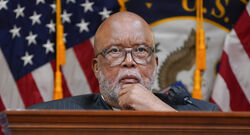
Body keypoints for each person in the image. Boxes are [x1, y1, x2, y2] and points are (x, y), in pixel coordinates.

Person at [28, 11, 218, 111]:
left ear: (155, 64)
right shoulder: (61, 118)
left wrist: (160, 111)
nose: (129, 62)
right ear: (96, 67)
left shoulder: (203, 114)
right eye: (115, 51)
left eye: (141, 50)